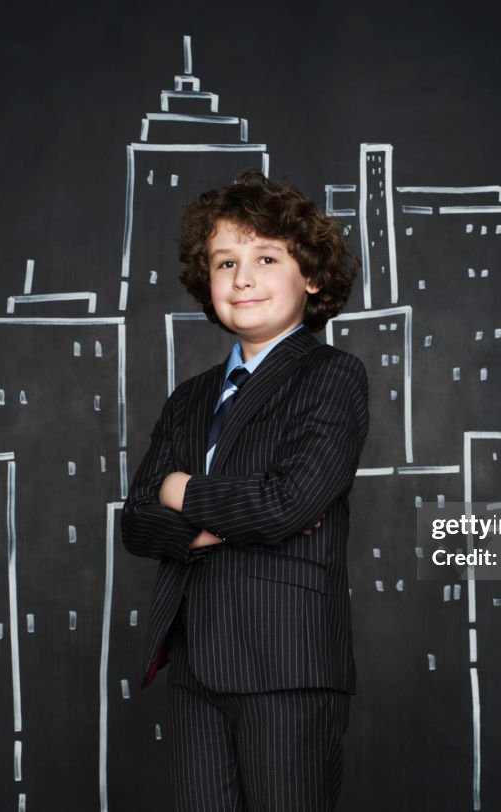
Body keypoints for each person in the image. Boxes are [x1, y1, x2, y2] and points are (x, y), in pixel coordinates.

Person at [122, 170, 369, 811]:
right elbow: (137, 521)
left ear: (310, 276)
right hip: (195, 664)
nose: (242, 278)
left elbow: (287, 503)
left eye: (265, 257)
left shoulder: (332, 376)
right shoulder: (190, 397)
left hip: (287, 667)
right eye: (224, 262)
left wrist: (181, 487)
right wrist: (217, 517)